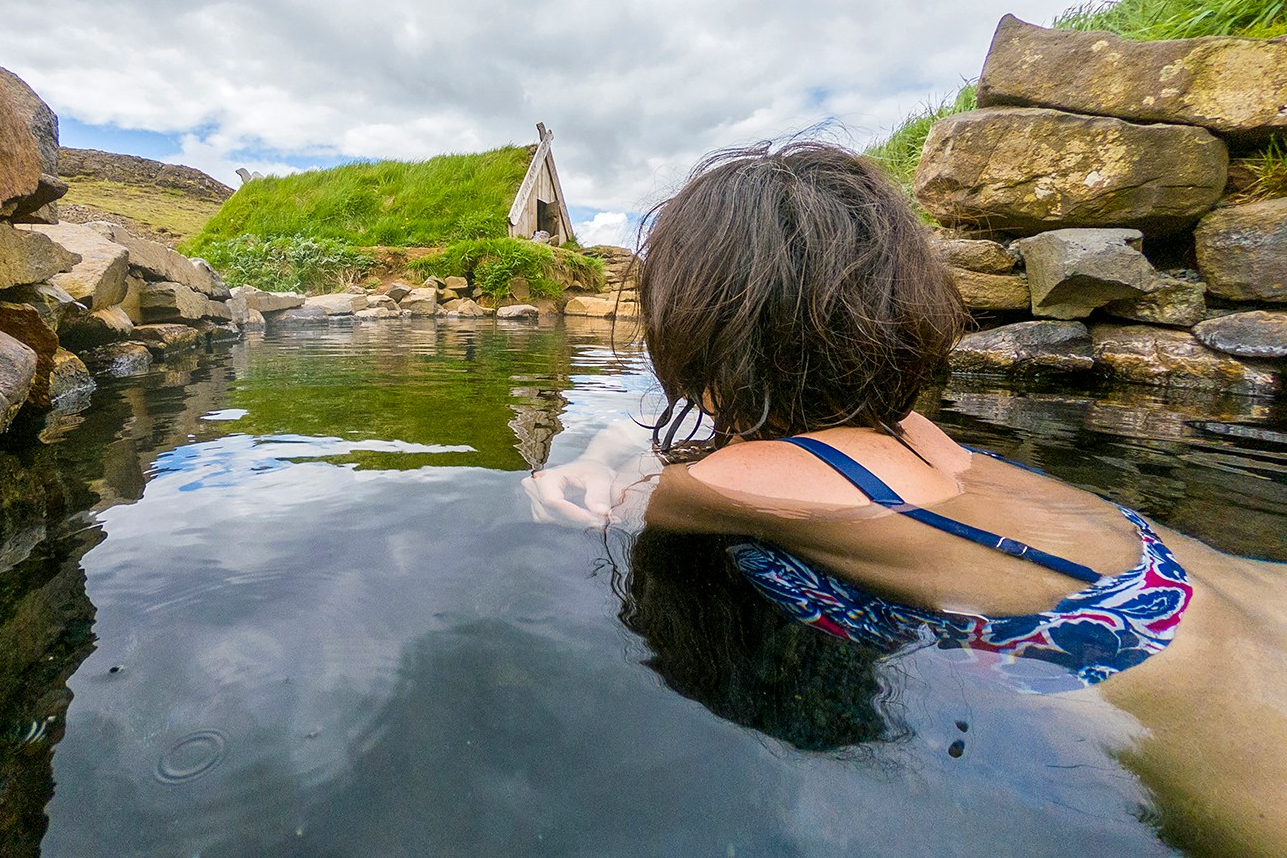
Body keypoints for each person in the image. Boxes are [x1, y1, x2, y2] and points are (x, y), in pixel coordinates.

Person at [525, 141, 1287, 858]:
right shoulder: (920, 432)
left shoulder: (737, 482)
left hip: (1203, 731)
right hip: (1206, 598)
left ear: (700, 326)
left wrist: (576, 461)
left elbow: (633, 490)